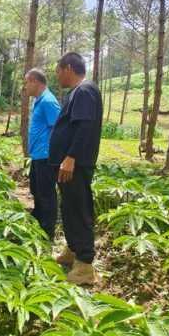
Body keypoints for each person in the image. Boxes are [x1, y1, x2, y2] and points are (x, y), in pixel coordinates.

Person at [49, 52, 103, 285]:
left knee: (79, 209)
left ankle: (84, 265)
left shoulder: (84, 91)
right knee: (69, 207)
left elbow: (85, 128)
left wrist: (71, 157)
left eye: (59, 71)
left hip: (75, 165)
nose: (58, 76)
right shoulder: (77, 93)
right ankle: (73, 249)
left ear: (68, 68)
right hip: (68, 165)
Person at [24, 68, 61, 240]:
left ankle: (47, 232)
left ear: (35, 82)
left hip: (47, 156)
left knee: (46, 194)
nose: (25, 87)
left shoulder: (48, 101)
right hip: (38, 155)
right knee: (36, 190)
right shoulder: (39, 100)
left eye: (26, 82)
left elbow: (59, 128)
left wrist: (55, 154)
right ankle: (38, 222)